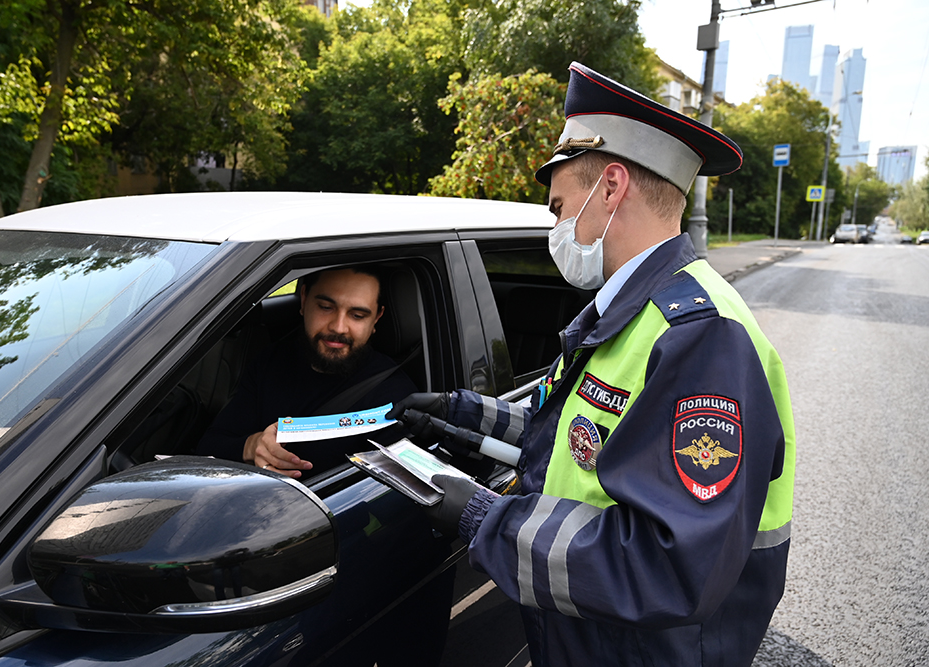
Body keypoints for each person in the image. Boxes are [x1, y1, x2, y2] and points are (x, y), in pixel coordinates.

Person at [389, 62, 796, 667]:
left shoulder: (699, 335)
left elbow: (669, 566)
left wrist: (483, 518)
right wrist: (463, 413)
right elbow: (585, 437)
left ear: (610, 188)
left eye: (558, 208)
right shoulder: (635, 313)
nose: (554, 225)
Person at [197, 265, 417, 479]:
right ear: (303, 300)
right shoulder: (272, 361)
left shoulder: (395, 397)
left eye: (357, 315)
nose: (339, 327)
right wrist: (252, 446)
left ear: (376, 319)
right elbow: (208, 447)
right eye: (325, 307)